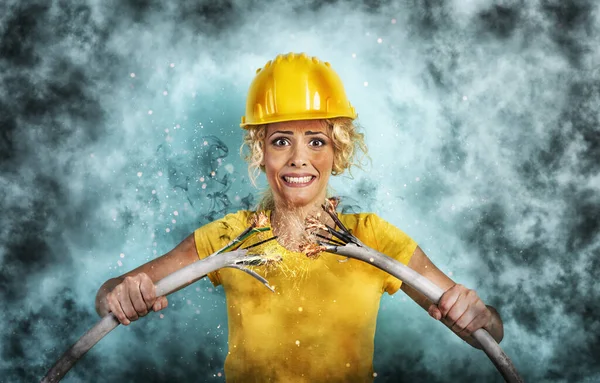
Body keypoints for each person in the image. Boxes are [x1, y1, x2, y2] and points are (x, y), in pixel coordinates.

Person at [95, 52, 504, 382]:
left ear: (336, 152)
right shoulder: (230, 237)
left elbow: (487, 334)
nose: (298, 159)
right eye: (280, 140)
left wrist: (480, 315)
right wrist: (121, 294)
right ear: (261, 152)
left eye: (316, 140)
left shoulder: (374, 240)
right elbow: (108, 296)